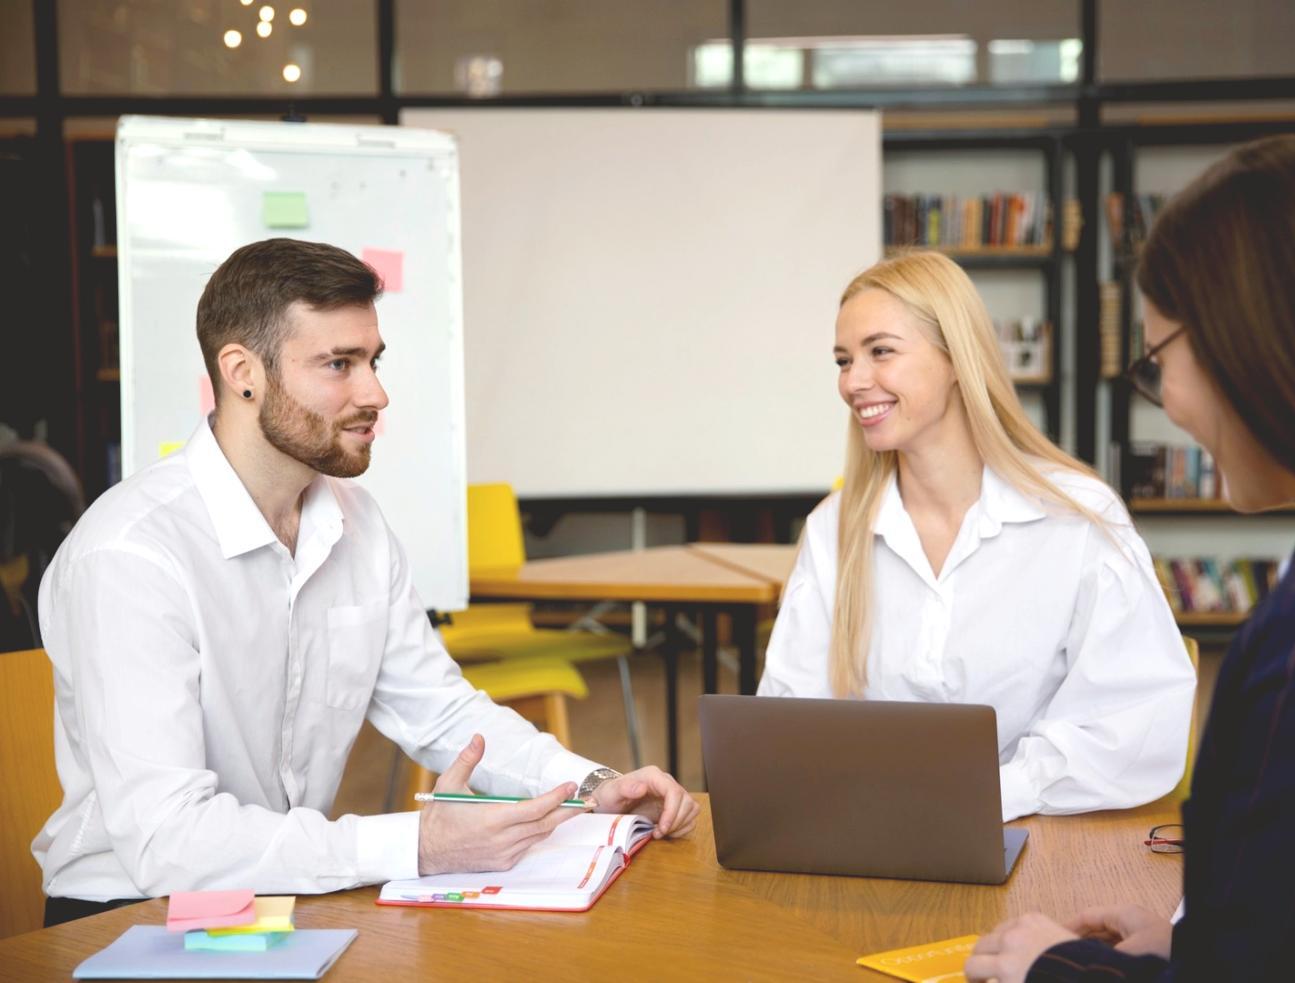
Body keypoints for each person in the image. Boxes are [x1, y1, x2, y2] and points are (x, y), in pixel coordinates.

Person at [33, 238, 699, 926]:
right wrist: (419, 843)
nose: (375, 394)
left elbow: (440, 713)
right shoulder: (131, 555)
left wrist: (590, 786)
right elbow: (166, 840)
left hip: (279, 900)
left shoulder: (357, 522)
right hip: (124, 914)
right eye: (338, 364)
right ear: (242, 372)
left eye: (373, 361)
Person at [965, 135, 1295, 982]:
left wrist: (1055, 967)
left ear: (1255, 340)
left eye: (1159, 358)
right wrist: (1195, 935)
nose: (1163, 399)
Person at [757, 250, 1195, 821]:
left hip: (1043, 834)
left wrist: (989, 796)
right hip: (875, 836)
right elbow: (789, 716)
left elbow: (1134, 722)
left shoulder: (1076, 518)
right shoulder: (834, 529)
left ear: (956, 358)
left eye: (880, 352)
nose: (853, 382)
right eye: (843, 360)